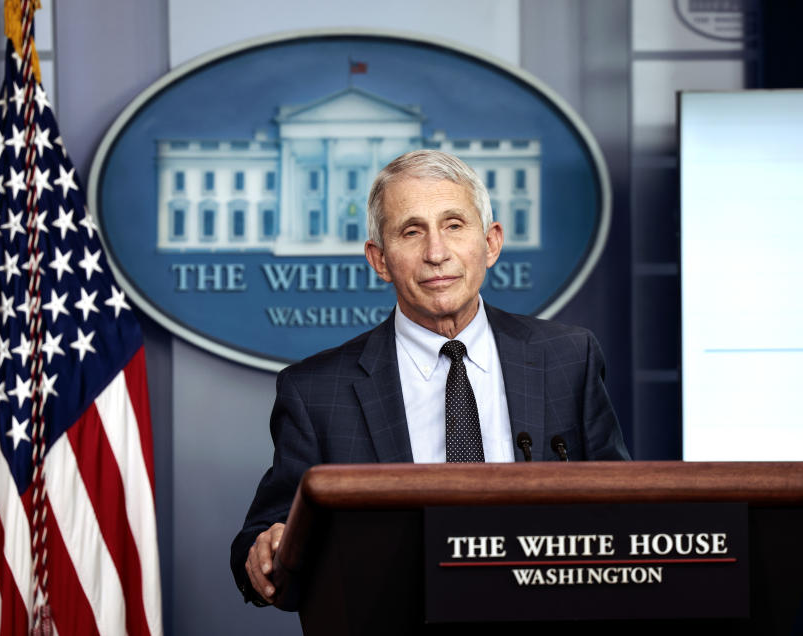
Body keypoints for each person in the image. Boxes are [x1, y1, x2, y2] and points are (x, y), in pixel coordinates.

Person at [231, 149, 630, 606]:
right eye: (411, 231)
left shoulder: (567, 358)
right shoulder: (317, 391)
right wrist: (265, 550)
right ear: (379, 259)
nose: (436, 253)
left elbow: (621, 508)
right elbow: (262, 541)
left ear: (492, 242)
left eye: (454, 226)